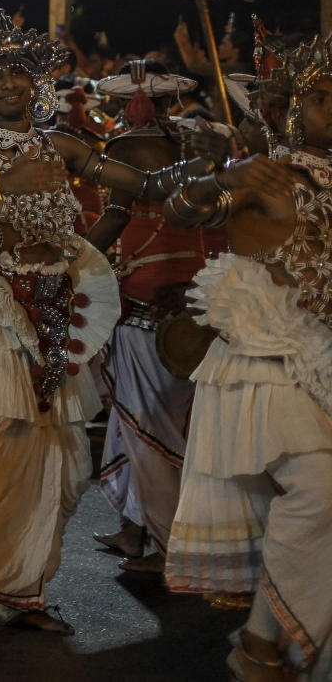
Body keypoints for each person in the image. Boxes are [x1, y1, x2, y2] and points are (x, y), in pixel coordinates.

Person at [0, 0, 199, 644]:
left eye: (19, 72)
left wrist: (200, 169)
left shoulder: (66, 143)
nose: (10, 83)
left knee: (61, 470)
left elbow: (144, 185)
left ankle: (21, 591)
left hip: (60, 310)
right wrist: (3, 185)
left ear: (37, 80)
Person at [162, 37, 332, 681]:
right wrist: (224, 177)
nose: (331, 110)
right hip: (266, 365)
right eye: (318, 99)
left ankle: (276, 645)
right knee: (319, 495)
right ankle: (261, 644)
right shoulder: (267, 177)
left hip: (327, 362)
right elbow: (182, 211)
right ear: (289, 108)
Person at [83, 68, 230, 573]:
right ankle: (133, 529)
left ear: (131, 105)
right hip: (195, 298)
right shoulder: (202, 144)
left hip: (145, 302)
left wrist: (73, 262)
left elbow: (117, 216)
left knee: (148, 426)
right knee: (154, 422)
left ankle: (173, 550)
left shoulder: (123, 147)